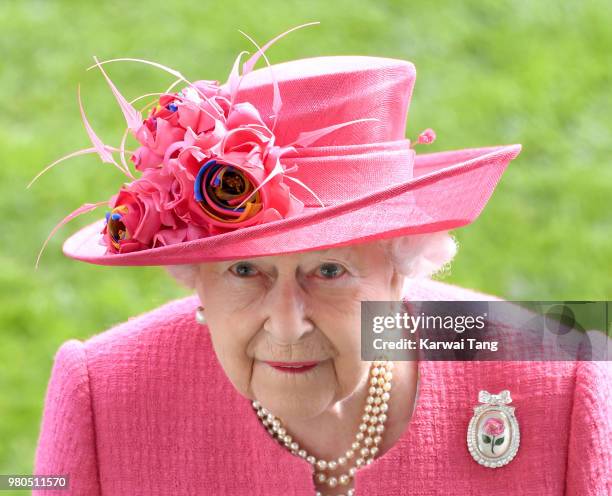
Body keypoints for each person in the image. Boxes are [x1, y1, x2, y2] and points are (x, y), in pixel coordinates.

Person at [32, 25, 610, 496]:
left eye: (329, 270)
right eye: (244, 270)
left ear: (400, 267)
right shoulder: (99, 391)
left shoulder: (561, 373)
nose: (286, 324)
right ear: (197, 276)